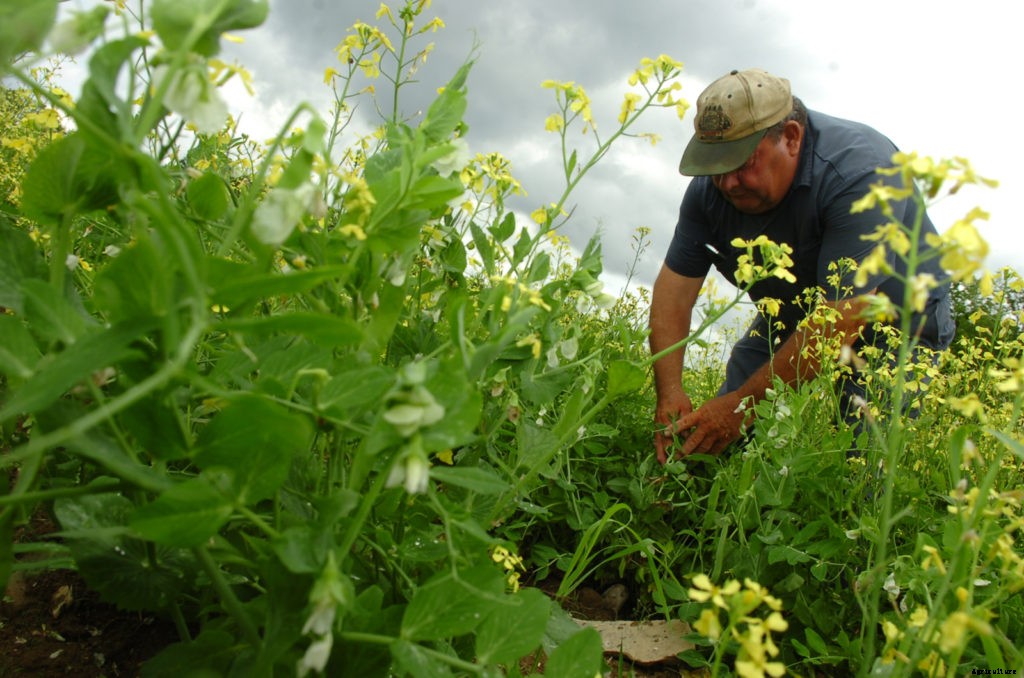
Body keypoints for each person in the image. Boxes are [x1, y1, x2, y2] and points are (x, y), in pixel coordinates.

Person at [649, 68, 955, 463]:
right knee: (718, 428)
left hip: (896, 320)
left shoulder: (860, 172)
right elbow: (674, 292)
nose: (727, 182)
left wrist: (742, 406)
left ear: (791, 138)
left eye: (741, 162)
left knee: (868, 457)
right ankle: (695, 502)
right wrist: (670, 392)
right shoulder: (710, 192)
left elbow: (846, 313)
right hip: (799, 309)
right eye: (715, 164)